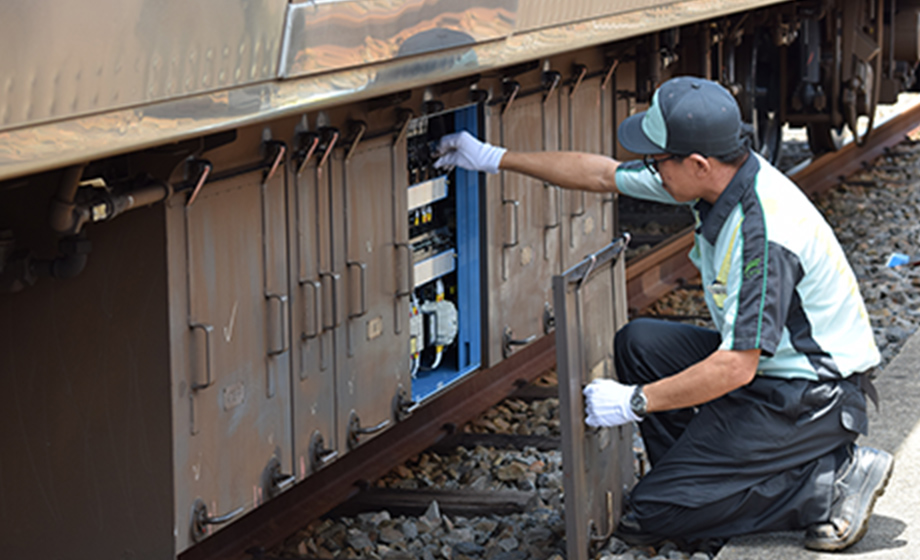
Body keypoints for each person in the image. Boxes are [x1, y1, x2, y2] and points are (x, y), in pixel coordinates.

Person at [434, 76, 893, 551]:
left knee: (652, 515)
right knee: (641, 343)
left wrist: (635, 401)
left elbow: (737, 365)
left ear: (697, 163)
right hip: (775, 374)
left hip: (811, 397)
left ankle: (828, 482)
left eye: (657, 160)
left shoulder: (763, 237)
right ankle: (698, 486)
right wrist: (492, 157)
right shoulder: (719, 178)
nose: (650, 168)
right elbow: (601, 174)